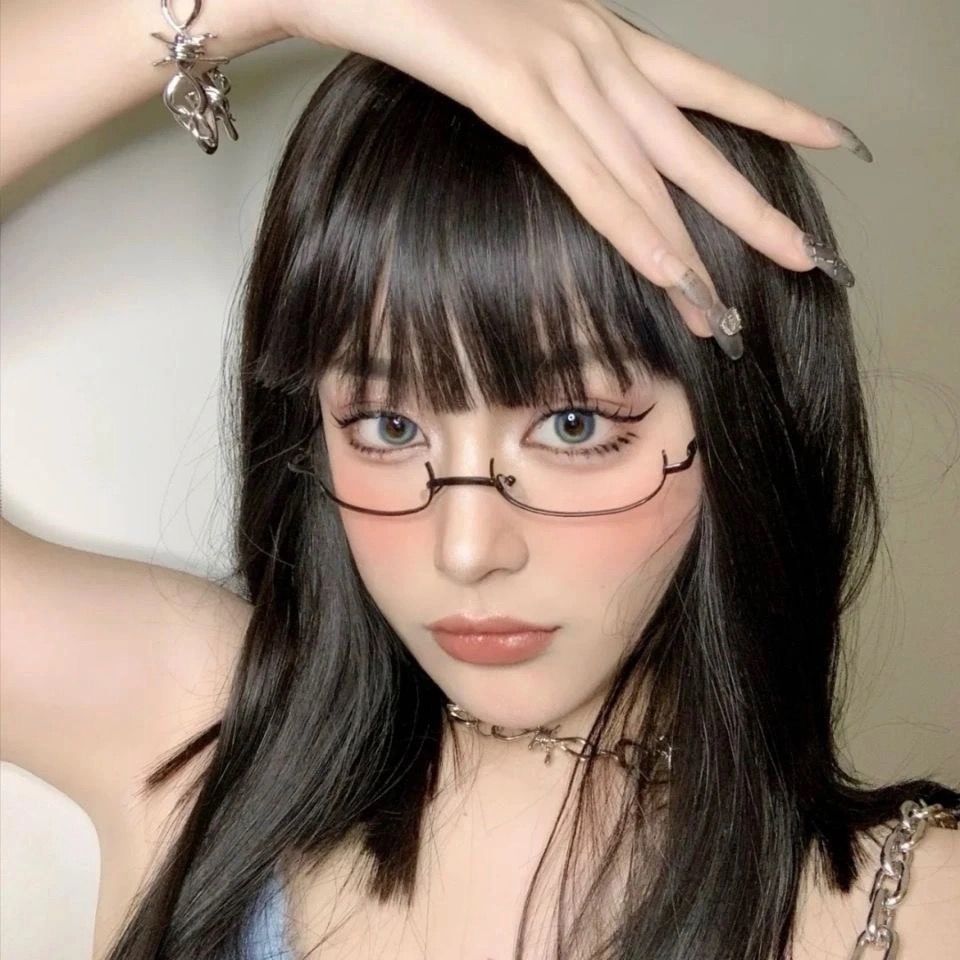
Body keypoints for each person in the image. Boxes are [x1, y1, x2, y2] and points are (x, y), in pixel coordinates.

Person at [1, 1, 957, 959]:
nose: (466, 549)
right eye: (389, 427)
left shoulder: (918, 907)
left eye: (574, 426)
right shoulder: (199, 741)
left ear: (741, 425)